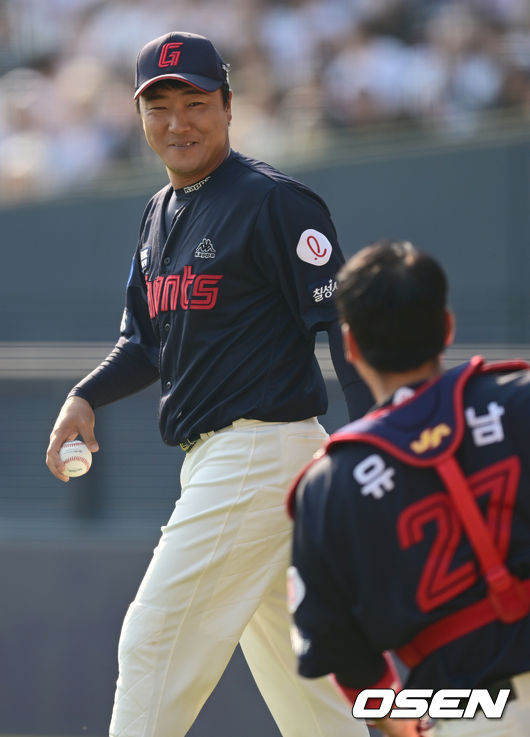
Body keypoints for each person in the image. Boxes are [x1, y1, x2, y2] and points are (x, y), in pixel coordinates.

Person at [45, 31, 373, 737]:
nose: (176, 122)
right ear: (139, 118)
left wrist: (369, 446)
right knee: (304, 675)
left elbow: (345, 327)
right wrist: (85, 394)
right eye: (158, 106)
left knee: (152, 639)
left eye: (194, 102)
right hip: (228, 463)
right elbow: (144, 340)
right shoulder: (159, 213)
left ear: (228, 105)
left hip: (260, 451)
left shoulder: (274, 202)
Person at [287, 239, 530, 737]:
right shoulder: (521, 402)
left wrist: (409, 726)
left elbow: (342, 655)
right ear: (447, 326)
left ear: (350, 347)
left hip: (471, 713)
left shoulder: (326, 486)